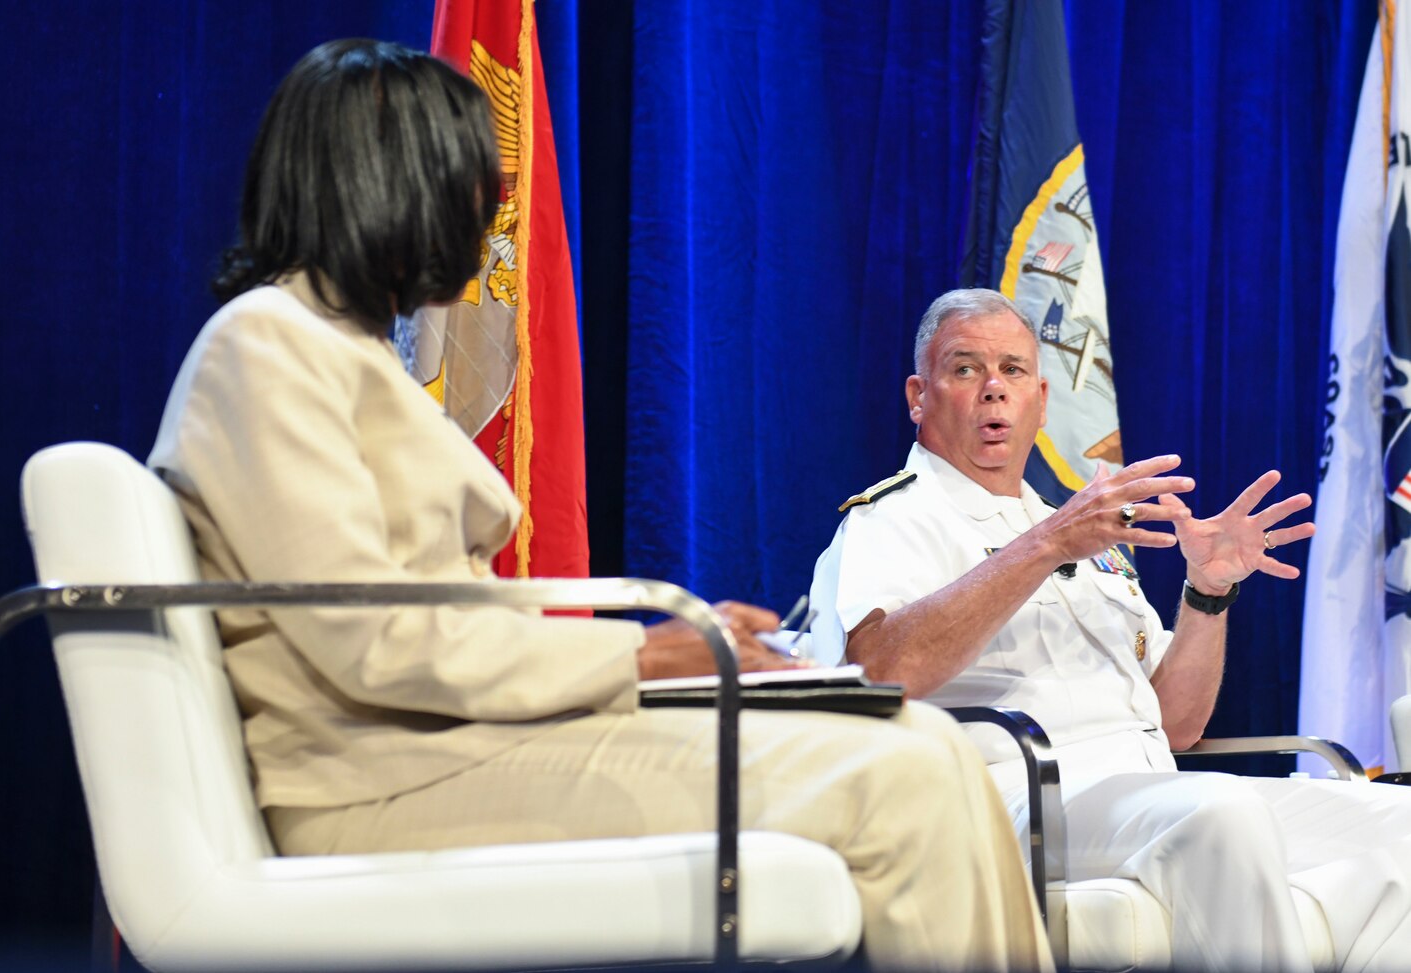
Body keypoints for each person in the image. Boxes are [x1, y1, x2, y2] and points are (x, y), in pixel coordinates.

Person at [146, 40, 1052, 971]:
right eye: (469, 180)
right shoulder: (265, 346)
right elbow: (376, 641)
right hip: (384, 780)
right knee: (900, 779)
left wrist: (678, 653)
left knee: (923, 744)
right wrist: (644, 652)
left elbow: (411, 616)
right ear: (389, 179)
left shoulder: (330, 347)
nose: (488, 208)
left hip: (452, 744)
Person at [811, 287, 1411, 972]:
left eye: (1012, 371)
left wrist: (1207, 593)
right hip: (1011, 798)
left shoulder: (1088, 538)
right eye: (966, 368)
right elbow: (880, 672)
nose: (993, 391)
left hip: (1145, 790)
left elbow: (1176, 725)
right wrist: (1043, 545)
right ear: (920, 395)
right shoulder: (892, 520)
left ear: (1041, 397)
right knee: (1218, 814)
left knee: (1397, 823)